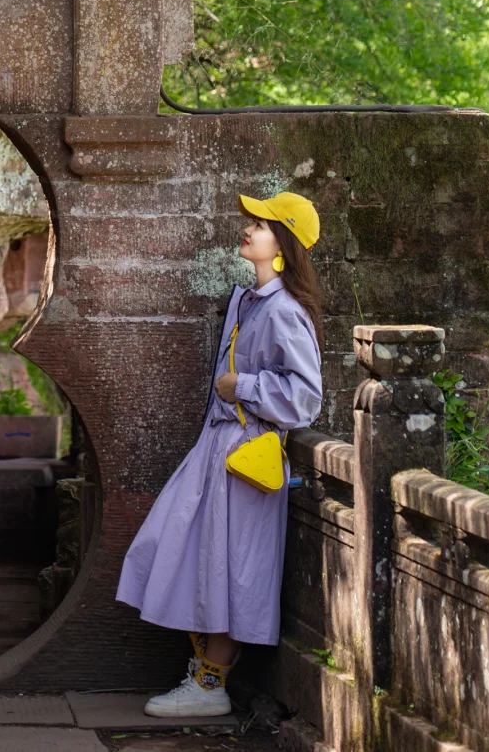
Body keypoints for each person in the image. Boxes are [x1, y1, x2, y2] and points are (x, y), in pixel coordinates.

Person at [116, 191, 323, 718]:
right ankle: (206, 678)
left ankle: (211, 683)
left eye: (262, 224)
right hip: (220, 448)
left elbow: (306, 398)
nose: (248, 229)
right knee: (180, 549)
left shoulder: (283, 311)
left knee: (229, 568)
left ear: (285, 244)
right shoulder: (253, 302)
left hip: (245, 457)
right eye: (251, 221)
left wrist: (242, 385)